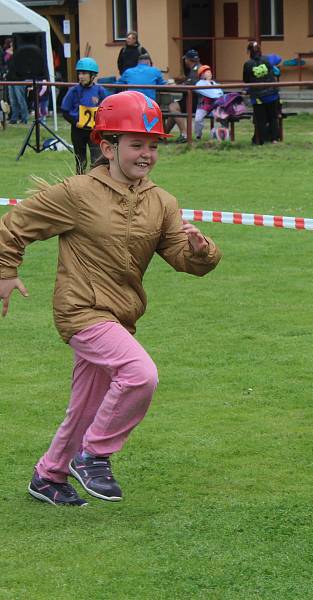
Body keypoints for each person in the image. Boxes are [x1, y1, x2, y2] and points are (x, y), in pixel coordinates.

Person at [0, 91, 222, 507]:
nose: (146, 154)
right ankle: (94, 454)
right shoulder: (76, 193)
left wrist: (199, 250)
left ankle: (48, 476)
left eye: (153, 146)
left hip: (120, 316)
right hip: (81, 311)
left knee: (85, 405)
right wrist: (6, 271)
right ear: (107, 146)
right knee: (140, 373)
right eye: (136, 144)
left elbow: (183, 259)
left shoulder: (162, 202)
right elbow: (14, 225)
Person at [60, 57, 110, 174]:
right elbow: (65, 111)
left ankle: (96, 180)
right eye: (80, 73)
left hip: (94, 130)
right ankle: (80, 182)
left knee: (97, 159)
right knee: (80, 159)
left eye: (84, 73)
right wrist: (75, 123)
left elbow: (106, 109)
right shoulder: (73, 91)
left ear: (92, 75)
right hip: (78, 130)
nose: (81, 76)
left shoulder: (99, 91)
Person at [243, 41, 281, 145]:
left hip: (258, 96)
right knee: (273, 117)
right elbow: (279, 58)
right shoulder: (268, 59)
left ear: (249, 52)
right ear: (260, 50)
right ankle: (274, 139)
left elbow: (246, 80)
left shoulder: (247, 64)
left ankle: (260, 140)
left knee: (260, 119)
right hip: (272, 93)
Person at [164, 49, 201, 143]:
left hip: (195, 102)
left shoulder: (195, 70)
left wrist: (174, 85)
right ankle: (163, 135)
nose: (185, 61)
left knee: (172, 107)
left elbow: (189, 85)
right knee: (173, 111)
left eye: (185, 59)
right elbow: (188, 81)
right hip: (194, 100)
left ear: (188, 60)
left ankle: (185, 134)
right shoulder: (198, 68)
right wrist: (178, 81)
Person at [193, 65, 223, 140]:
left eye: (210, 72)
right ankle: (198, 135)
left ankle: (216, 132)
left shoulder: (214, 83)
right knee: (198, 119)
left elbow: (219, 93)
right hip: (203, 105)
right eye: (207, 72)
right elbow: (198, 90)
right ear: (202, 75)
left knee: (221, 116)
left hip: (215, 105)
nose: (209, 73)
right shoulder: (200, 83)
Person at [5, 40, 29, 125]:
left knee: (20, 99)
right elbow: (6, 61)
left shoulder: (20, 52)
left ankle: (24, 118)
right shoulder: (7, 52)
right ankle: (14, 118)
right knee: (13, 100)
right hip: (10, 79)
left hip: (19, 79)